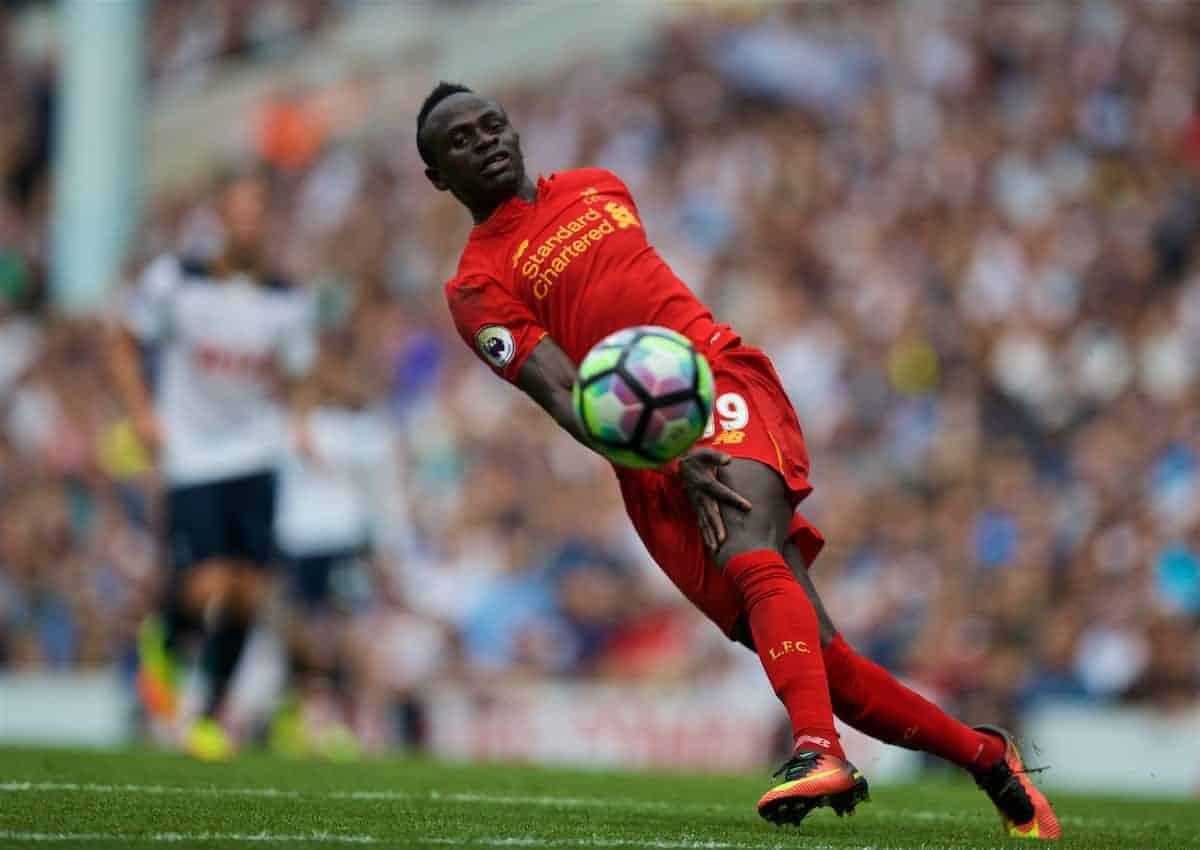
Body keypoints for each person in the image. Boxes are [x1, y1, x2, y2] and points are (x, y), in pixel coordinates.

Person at [416, 82, 1061, 840]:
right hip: (642, 454)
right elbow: (561, 391)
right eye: (460, 141)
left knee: (748, 543)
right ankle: (987, 756)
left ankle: (816, 750)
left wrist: (683, 435)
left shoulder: (598, 187)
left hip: (715, 378)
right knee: (825, 664)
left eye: (493, 125)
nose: (485, 141)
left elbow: (637, 303)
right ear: (437, 177)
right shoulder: (476, 286)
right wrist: (660, 458)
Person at [108, 168, 317, 761]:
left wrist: (299, 421)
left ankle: (209, 714)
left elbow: (299, 371)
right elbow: (122, 340)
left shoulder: (287, 298)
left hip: (255, 449)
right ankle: (164, 638)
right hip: (192, 453)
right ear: (221, 219)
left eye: (258, 214)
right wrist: (143, 414)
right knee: (209, 584)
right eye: (239, 213)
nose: (248, 225)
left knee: (249, 591)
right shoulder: (176, 279)